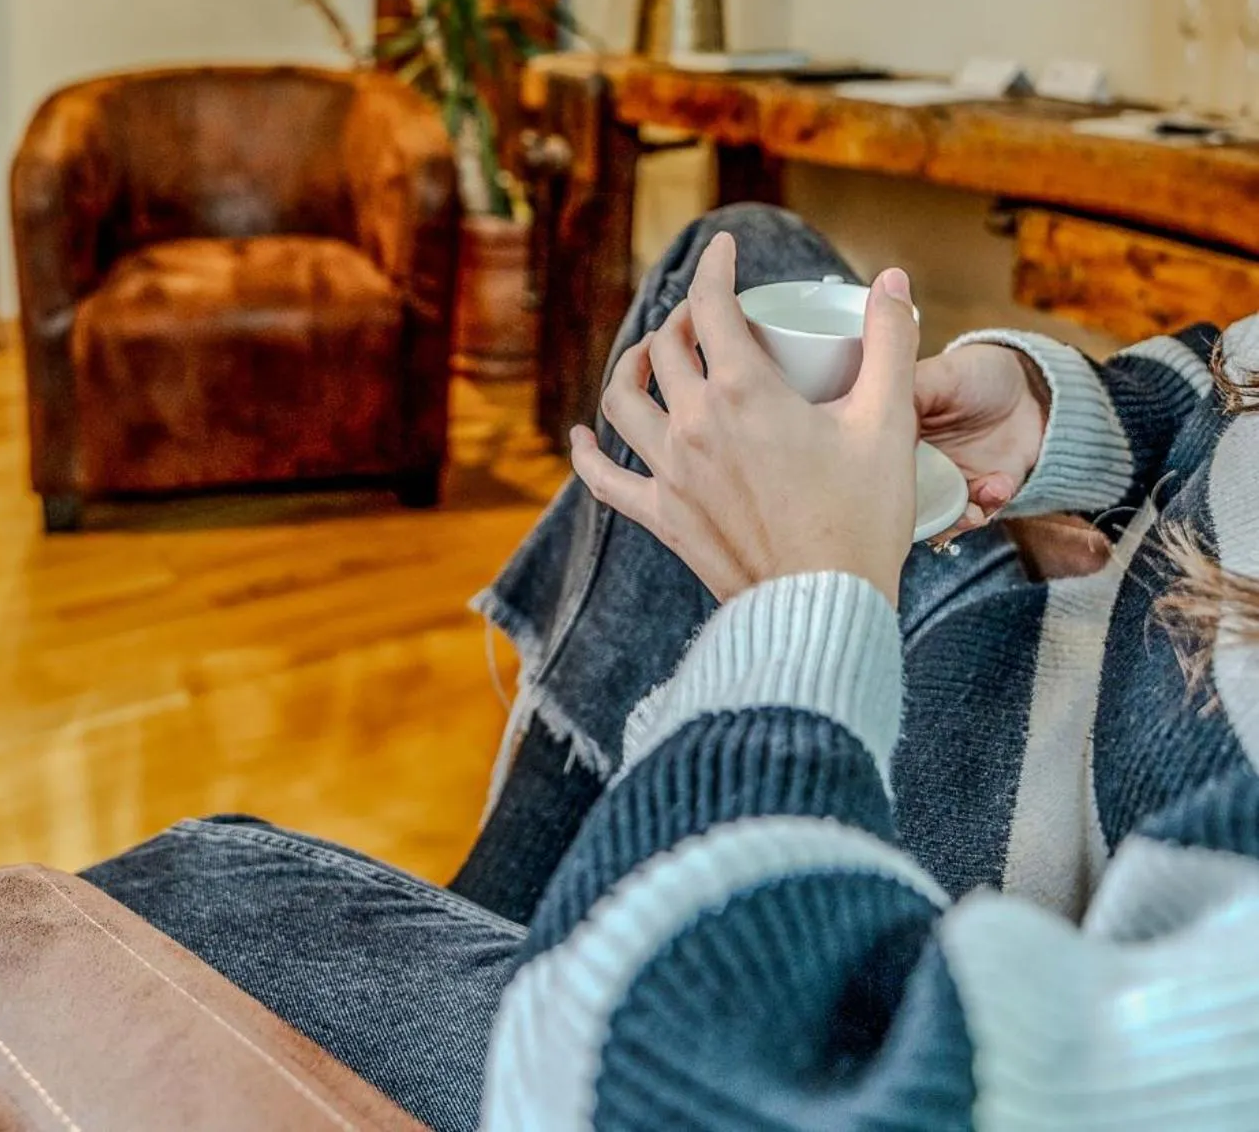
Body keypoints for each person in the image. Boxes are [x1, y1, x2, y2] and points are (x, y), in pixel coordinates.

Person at [86, 204, 1259, 1131]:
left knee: (156, 909)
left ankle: (551, 922)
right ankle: (521, 909)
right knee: (730, 278)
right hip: (1079, 652)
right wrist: (1055, 420)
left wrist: (800, 599)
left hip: (970, 902)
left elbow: (719, 1079)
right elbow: (1229, 385)